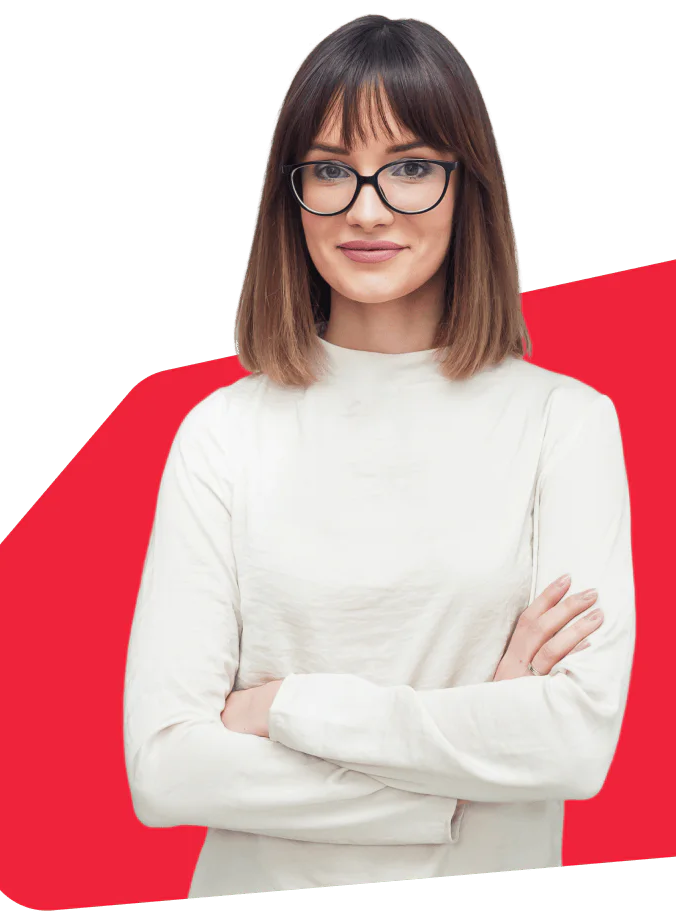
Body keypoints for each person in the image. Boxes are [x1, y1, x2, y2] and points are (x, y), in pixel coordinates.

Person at [122, 13, 636, 900]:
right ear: (292, 196)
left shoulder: (565, 424)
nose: (366, 208)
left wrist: (285, 707)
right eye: (330, 169)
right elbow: (167, 770)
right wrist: (467, 769)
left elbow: (573, 746)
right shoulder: (222, 432)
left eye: (411, 168)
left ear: (467, 188)